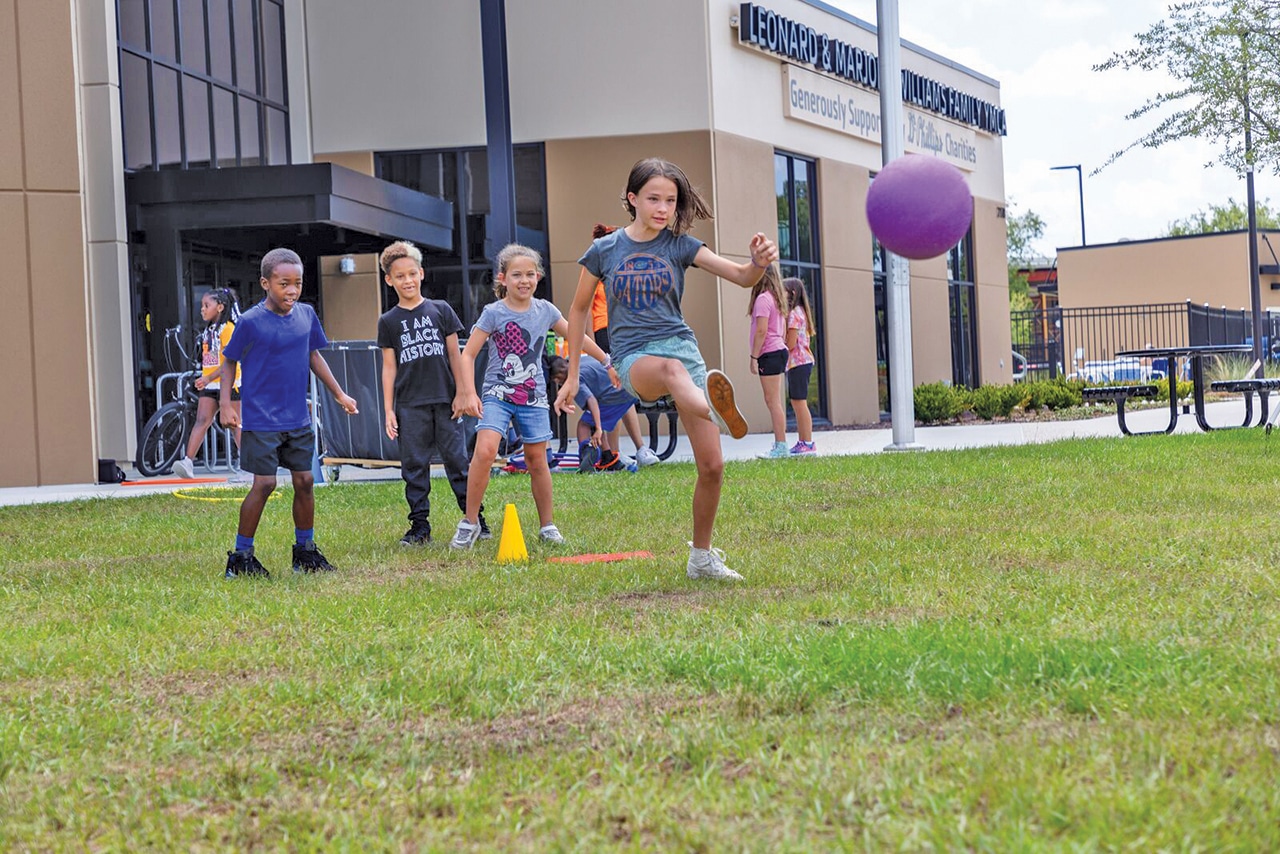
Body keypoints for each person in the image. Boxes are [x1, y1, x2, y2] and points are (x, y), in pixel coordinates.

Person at [555, 157, 779, 581]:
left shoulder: (679, 245)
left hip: (682, 348)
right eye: (654, 198)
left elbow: (741, 276)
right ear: (632, 198)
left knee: (712, 466)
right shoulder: (604, 250)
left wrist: (758, 263)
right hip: (634, 356)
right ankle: (714, 409)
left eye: (671, 201)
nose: (663, 208)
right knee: (674, 371)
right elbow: (579, 309)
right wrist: (572, 375)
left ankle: (701, 556)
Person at [450, 244, 611, 550]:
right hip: (497, 394)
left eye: (529, 274)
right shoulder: (493, 313)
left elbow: (576, 336)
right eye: (516, 275)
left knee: (538, 459)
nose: (524, 280)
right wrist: (468, 392)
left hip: (533, 396)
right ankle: (469, 523)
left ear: (538, 276)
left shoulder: (545, 310)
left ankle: (547, 526)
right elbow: (468, 354)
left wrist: (606, 360)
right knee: (484, 451)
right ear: (503, 278)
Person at [218, 248, 359, 579]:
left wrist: (339, 393)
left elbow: (314, 356)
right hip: (260, 419)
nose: (292, 291)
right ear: (266, 283)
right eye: (284, 284)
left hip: (297, 418)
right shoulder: (250, 322)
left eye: (297, 283)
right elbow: (228, 360)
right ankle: (240, 557)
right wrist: (225, 404)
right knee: (264, 484)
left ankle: (305, 552)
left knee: (306, 480)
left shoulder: (306, 315)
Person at [376, 240, 489, 546]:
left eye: (412, 273)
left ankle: (475, 518)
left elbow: (457, 355)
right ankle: (419, 526)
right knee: (413, 466)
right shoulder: (388, 321)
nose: (407, 280)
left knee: (457, 461)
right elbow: (389, 368)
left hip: (446, 401)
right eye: (400, 276)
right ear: (389, 280)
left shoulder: (440, 310)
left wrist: (464, 392)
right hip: (410, 405)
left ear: (422, 273)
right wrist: (389, 409)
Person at [547, 355, 660, 471]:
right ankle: (608, 458)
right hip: (628, 387)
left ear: (557, 378)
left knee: (584, 425)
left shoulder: (575, 380)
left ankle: (586, 459)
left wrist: (598, 427)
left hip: (615, 397)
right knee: (594, 419)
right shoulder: (579, 359)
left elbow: (592, 401)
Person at [174, 288, 241, 480]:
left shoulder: (228, 329)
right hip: (210, 386)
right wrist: (205, 377)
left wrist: (208, 377)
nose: (202, 310)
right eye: (202, 306)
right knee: (202, 420)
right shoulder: (209, 331)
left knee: (236, 424)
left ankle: (248, 465)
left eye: (206, 305)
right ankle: (188, 462)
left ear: (220, 307)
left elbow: (229, 363)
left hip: (231, 384)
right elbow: (210, 359)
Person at [748, 263, 790, 459]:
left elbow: (761, 331)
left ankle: (781, 447)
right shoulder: (776, 299)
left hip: (770, 352)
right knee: (773, 401)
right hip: (778, 350)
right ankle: (780, 445)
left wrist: (754, 357)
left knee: (773, 402)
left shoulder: (763, 299)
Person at [783, 277, 817, 455]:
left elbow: (790, 343)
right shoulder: (801, 311)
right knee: (798, 402)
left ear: (793, 293)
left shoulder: (795, 313)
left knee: (799, 403)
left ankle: (807, 443)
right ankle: (804, 442)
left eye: (784, 291)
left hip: (798, 362)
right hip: (800, 363)